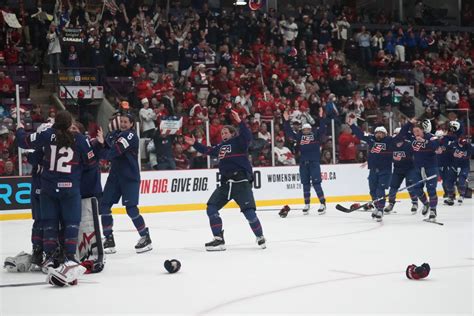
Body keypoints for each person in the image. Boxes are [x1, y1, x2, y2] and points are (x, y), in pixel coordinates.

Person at [16, 111, 96, 269]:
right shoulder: (80, 139)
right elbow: (91, 162)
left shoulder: (47, 135)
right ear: (69, 123)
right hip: (70, 188)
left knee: (49, 223)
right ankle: (70, 257)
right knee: (71, 223)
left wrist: (19, 129)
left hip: (48, 187)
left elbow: (23, 142)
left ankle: (50, 258)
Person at [184, 110, 266, 251]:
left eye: (226, 132)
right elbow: (208, 151)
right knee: (211, 208)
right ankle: (218, 239)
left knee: (249, 213)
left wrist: (240, 121)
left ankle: (260, 236)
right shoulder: (220, 146)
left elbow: (247, 135)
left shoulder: (239, 142)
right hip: (225, 183)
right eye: (222, 133)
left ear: (233, 134)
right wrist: (195, 144)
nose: (223, 134)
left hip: (241, 182)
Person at [100, 113, 152, 254]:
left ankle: (145, 236)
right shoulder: (114, 134)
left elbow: (114, 151)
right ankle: (109, 238)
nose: (123, 124)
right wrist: (104, 145)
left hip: (129, 177)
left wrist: (103, 145)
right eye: (121, 121)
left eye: (125, 122)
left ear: (131, 124)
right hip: (115, 177)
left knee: (131, 208)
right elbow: (107, 149)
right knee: (104, 206)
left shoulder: (130, 135)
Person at [348, 115, 410, 222]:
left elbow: (400, 135)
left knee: (380, 190)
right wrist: (352, 125)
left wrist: (409, 124)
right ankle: (377, 207)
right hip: (373, 170)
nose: (379, 134)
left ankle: (380, 209)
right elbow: (360, 135)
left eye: (381, 133)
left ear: (385, 134)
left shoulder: (390, 141)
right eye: (377, 132)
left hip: (385, 170)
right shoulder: (371, 139)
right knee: (372, 191)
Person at [282, 108, 327, 215]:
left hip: (314, 162)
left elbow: (323, 129)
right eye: (304, 130)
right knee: (305, 184)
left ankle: (322, 203)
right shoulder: (299, 137)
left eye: (308, 129)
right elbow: (289, 132)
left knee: (316, 183)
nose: (306, 131)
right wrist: (286, 121)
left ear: (311, 129)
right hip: (303, 163)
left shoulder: (315, 136)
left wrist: (321, 117)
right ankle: (307, 204)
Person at [405, 119, 440, 221]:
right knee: (416, 188)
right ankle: (426, 204)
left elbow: (435, 146)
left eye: (418, 131)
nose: (416, 133)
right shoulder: (412, 139)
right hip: (417, 168)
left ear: (422, 130)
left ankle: (433, 210)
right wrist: (409, 123)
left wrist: (424, 141)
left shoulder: (431, 137)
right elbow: (403, 134)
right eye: (414, 131)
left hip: (431, 167)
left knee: (431, 189)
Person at [384, 127, 419, 215]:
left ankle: (415, 202)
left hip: (410, 169)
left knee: (410, 186)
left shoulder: (409, 144)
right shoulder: (391, 145)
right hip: (397, 169)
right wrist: (392, 158)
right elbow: (387, 156)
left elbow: (416, 156)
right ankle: (391, 203)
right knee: (393, 187)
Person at [444, 136, 472, 205]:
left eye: (464, 143)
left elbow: (471, 152)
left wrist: (464, 155)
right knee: (449, 181)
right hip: (454, 166)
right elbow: (446, 149)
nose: (463, 145)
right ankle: (450, 197)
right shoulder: (453, 144)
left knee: (461, 179)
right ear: (459, 140)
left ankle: (461, 195)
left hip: (464, 166)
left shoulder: (468, 145)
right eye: (461, 143)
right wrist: (452, 153)